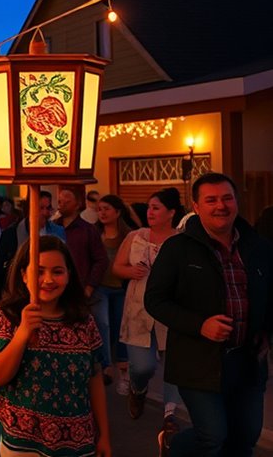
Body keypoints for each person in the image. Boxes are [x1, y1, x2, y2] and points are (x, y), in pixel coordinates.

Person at [145, 173, 273, 456]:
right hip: (198, 362)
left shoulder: (259, 247)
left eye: (227, 198)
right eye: (211, 200)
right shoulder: (178, 248)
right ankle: (172, 444)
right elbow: (155, 299)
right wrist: (199, 324)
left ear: (236, 202)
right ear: (196, 206)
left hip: (248, 361)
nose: (220, 206)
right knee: (212, 435)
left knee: (245, 437)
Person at [0, 236, 111, 456]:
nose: (48, 280)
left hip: (76, 441)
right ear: (24, 275)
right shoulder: (6, 316)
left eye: (57, 272)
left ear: (69, 275)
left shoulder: (83, 321)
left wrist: (105, 435)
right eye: (39, 272)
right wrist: (22, 333)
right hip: (21, 441)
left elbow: (94, 377)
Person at [112, 187, 184, 447]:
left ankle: (170, 415)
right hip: (138, 311)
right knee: (143, 366)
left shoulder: (181, 241)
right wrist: (130, 270)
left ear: (171, 212)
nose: (150, 213)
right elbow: (117, 266)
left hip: (171, 311)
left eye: (156, 208)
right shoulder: (136, 236)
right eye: (149, 207)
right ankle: (137, 389)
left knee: (174, 367)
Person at [0, 190, 66, 300]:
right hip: (19, 293)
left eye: (48, 208)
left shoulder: (58, 233)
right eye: (41, 208)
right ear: (30, 209)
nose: (45, 213)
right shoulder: (12, 234)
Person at [94, 194, 134, 393]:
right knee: (103, 323)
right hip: (100, 287)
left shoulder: (129, 235)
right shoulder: (94, 234)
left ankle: (124, 373)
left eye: (106, 209)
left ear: (117, 212)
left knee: (121, 328)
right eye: (99, 209)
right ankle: (106, 366)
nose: (102, 213)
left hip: (121, 288)